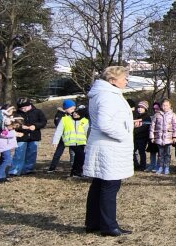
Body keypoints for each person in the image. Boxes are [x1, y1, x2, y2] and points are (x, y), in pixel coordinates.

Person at [84, 65, 135, 237]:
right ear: (112, 80)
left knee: (99, 184)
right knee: (110, 185)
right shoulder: (108, 96)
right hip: (109, 147)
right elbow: (105, 124)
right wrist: (124, 135)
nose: (126, 81)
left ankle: (93, 223)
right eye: (124, 78)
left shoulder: (102, 94)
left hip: (105, 145)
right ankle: (108, 226)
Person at [51, 99, 89, 178]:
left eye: (75, 110)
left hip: (81, 142)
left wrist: (88, 141)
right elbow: (59, 130)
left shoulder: (84, 120)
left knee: (78, 157)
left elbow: (87, 131)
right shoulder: (65, 119)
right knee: (81, 156)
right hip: (71, 142)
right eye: (72, 110)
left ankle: (74, 172)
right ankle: (77, 172)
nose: (74, 112)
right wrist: (55, 141)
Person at [9, 97, 47, 176]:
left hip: (34, 136)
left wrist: (35, 126)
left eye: (25, 107)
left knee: (32, 153)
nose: (23, 109)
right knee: (19, 153)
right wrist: (21, 127)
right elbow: (13, 124)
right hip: (21, 136)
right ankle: (15, 170)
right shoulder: (16, 114)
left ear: (29, 105)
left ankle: (28, 169)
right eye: (21, 108)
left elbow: (43, 122)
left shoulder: (38, 112)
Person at [0, 107, 19, 184]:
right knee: (7, 159)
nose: (12, 112)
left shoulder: (7, 119)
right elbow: (2, 133)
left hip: (6, 144)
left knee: (5, 159)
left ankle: (4, 175)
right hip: (2, 144)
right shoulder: (3, 120)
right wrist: (14, 133)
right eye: (11, 110)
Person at [150, 99, 176, 176]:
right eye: (164, 105)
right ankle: (160, 167)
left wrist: (175, 136)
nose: (165, 107)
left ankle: (167, 167)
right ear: (161, 106)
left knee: (167, 154)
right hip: (159, 138)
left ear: (170, 106)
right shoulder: (157, 115)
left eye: (167, 105)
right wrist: (152, 137)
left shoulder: (173, 115)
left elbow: (175, 126)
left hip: (168, 138)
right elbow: (152, 126)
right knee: (160, 154)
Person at [47, 100, 73, 172]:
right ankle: (52, 167)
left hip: (72, 137)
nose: (73, 110)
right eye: (71, 109)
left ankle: (73, 167)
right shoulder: (59, 115)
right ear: (66, 108)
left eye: (74, 108)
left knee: (72, 153)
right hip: (63, 137)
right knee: (58, 153)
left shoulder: (73, 114)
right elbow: (59, 126)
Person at [131, 101, 151, 171]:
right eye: (139, 107)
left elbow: (145, 128)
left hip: (142, 138)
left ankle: (143, 166)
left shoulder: (147, 117)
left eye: (142, 108)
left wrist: (135, 130)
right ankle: (135, 164)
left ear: (145, 109)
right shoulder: (135, 116)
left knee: (141, 152)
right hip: (135, 137)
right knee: (132, 151)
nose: (140, 109)